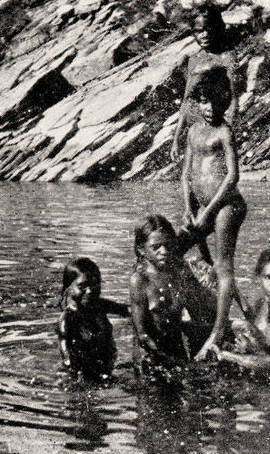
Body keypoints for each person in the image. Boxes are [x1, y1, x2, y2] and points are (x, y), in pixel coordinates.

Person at [180, 66, 247, 360]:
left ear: (225, 101)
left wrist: (208, 213)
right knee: (172, 250)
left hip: (226, 207)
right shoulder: (194, 131)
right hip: (201, 209)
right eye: (203, 101)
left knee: (223, 267)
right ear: (196, 102)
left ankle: (217, 334)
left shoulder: (224, 131)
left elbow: (232, 177)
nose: (209, 108)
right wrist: (188, 210)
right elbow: (185, 175)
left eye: (215, 101)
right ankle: (207, 307)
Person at [129, 215, 217, 374]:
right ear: (142, 249)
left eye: (168, 245)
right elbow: (143, 336)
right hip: (151, 361)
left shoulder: (179, 274)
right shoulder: (140, 280)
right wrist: (178, 365)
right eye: (156, 247)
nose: (164, 251)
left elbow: (198, 314)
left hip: (177, 355)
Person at [170, 0, 238, 165]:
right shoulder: (193, 60)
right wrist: (177, 137)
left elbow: (234, 98)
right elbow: (187, 100)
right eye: (199, 31)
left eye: (208, 29)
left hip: (217, 126)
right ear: (193, 33)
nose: (205, 35)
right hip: (195, 126)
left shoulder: (226, 57)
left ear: (217, 28)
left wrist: (230, 129)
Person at [58, 257, 120, 382]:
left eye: (95, 284)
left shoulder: (99, 305)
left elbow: (127, 310)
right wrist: (72, 373)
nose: (90, 291)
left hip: (106, 368)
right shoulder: (67, 319)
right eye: (82, 286)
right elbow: (66, 353)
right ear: (68, 289)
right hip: (81, 373)